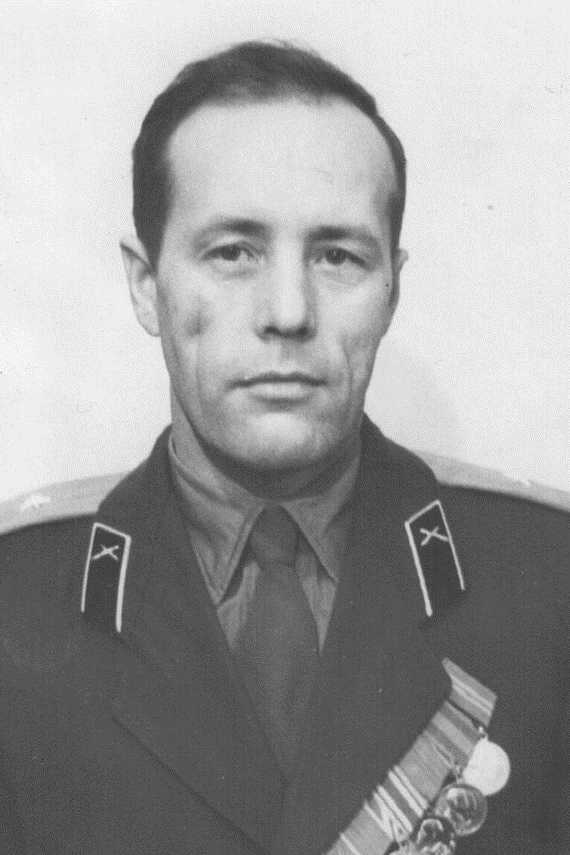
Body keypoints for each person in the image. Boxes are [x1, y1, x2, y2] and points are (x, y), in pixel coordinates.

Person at [0, 41, 568, 855]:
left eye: (338, 256)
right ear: (145, 284)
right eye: (233, 252)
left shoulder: (549, 587)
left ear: (392, 289)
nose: (289, 311)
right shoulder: (15, 602)